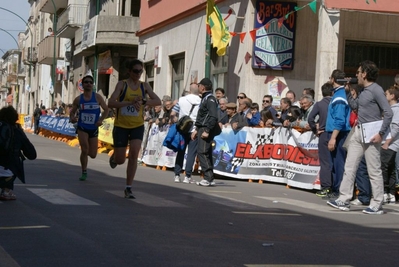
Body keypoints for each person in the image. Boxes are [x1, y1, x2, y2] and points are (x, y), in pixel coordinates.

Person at [327, 60, 393, 214]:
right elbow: (355, 106)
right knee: (350, 166)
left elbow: (388, 112)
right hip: (358, 131)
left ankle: (377, 203)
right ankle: (343, 198)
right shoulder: (363, 90)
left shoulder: (376, 90)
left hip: (371, 134)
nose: (356, 75)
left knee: (374, 169)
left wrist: (381, 133)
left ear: (364, 74)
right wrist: (349, 91)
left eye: (358, 72)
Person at [108, 59, 161, 199]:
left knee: (133, 155)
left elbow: (158, 101)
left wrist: (144, 101)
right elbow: (111, 102)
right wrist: (129, 103)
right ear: (129, 71)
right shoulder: (122, 85)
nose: (138, 74)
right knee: (120, 160)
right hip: (121, 126)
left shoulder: (144, 86)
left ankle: (128, 187)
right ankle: (115, 156)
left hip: (137, 125)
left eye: (141, 71)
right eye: (136, 71)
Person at [69, 71, 109, 181]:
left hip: (94, 128)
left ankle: (85, 163)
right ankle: (84, 171)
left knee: (93, 154)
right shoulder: (78, 99)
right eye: (86, 82)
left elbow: (106, 109)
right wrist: (72, 117)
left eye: (90, 82)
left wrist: (101, 120)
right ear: (82, 85)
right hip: (82, 127)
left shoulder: (98, 98)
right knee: (85, 149)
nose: (88, 84)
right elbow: (72, 112)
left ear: (93, 85)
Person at [0, 106, 37, 200]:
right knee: (15, 159)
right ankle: (6, 190)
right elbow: (32, 154)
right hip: (7, 169)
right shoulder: (16, 132)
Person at [325, 70, 351, 198]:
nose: (329, 79)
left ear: (333, 79)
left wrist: (333, 138)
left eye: (330, 77)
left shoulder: (339, 96)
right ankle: (335, 189)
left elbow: (340, 120)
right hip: (335, 132)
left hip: (338, 134)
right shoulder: (338, 94)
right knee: (334, 163)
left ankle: (339, 191)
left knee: (338, 163)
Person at [192, 78, 221, 187]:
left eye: (199, 85)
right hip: (201, 128)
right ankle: (210, 177)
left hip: (205, 128)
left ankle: (208, 177)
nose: (198, 87)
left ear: (203, 87)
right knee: (206, 152)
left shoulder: (210, 99)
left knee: (202, 152)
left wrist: (207, 130)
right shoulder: (205, 98)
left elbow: (213, 116)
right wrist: (196, 129)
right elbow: (202, 116)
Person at [170, 83, 201, 184]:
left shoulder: (181, 99)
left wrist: (176, 121)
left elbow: (173, 114)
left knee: (181, 151)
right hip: (194, 130)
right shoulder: (201, 101)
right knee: (192, 153)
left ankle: (177, 175)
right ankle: (187, 176)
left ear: (190, 90)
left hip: (182, 129)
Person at [308, 82, 333, 197]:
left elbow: (310, 118)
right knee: (336, 161)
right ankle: (335, 186)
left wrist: (315, 130)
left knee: (325, 162)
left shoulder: (319, 104)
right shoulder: (336, 102)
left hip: (323, 133)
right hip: (336, 134)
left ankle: (326, 187)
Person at [380, 86, 399, 204]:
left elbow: (396, 127)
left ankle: (386, 191)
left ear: (392, 96)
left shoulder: (396, 109)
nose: (385, 95)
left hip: (391, 144)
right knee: (390, 168)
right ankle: (389, 193)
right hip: (389, 143)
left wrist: (387, 142)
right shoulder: (390, 109)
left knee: (384, 167)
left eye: (386, 93)